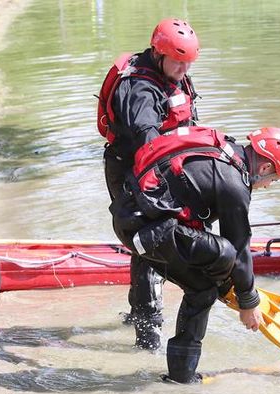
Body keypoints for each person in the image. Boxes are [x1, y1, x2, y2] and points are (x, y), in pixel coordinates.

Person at [110, 125, 280, 384]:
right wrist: (248, 301)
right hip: (147, 230)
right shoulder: (235, 184)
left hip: (134, 216)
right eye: (273, 180)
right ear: (264, 167)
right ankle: (182, 379)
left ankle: (180, 375)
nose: (268, 186)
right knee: (208, 280)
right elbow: (240, 247)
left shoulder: (225, 152)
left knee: (210, 273)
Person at [97, 18, 199, 350]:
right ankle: (147, 329)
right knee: (149, 242)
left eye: (188, 62)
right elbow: (147, 139)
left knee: (146, 242)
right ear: (159, 53)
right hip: (131, 168)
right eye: (178, 61)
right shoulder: (139, 89)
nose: (184, 68)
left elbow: (188, 123)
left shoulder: (175, 76)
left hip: (158, 167)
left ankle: (136, 309)